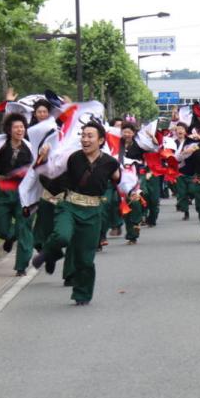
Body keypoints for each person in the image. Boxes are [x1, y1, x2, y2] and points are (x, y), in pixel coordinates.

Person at [33, 122, 122, 305]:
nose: (85, 139)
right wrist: (43, 159)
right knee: (62, 236)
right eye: (83, 135)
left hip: (93, 212)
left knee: (85, 258)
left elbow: (119, 179)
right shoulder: (73, 158)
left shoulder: (110, 162)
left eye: (90, 136)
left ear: (101, 140)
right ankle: (50, 253)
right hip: (70, 207)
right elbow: (54, 174)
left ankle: (82, 294)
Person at [0, 112, 35, 276]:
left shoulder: (31, 148)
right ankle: (10, 236)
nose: (20, 130)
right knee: (2, 230)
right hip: (2, 190)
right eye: (16, 127)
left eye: (22, 127)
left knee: (24, 227)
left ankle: (21, 266)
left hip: (24, 192)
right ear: (9, 130)